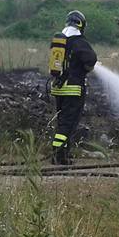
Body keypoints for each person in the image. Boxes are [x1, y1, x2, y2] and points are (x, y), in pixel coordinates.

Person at [49, 10, 97, 165]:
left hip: (58, 88)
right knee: (68, 123)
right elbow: (91, 59)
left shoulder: (61, 40)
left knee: (62, 122)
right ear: (81, 25)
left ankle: (62, 154)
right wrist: (85, 68)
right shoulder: (79, 41)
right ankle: (58, 156)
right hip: (73, 89)